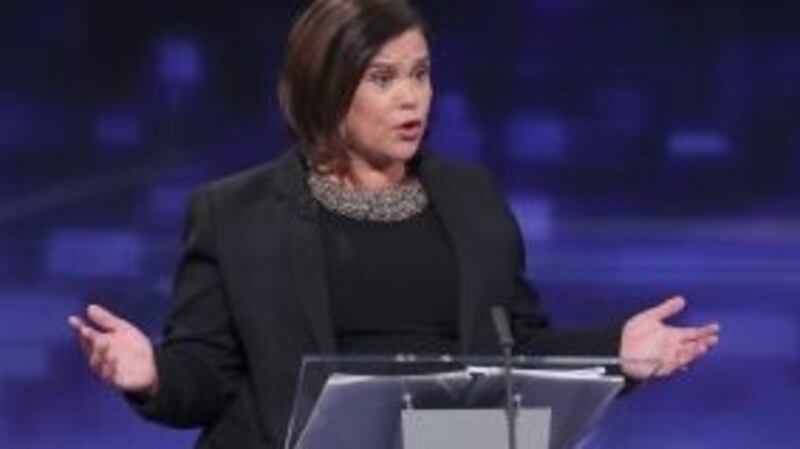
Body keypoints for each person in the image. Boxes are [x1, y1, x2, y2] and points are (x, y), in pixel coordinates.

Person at [68, 1, 720, 448]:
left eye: (420, 73)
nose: (412, 98)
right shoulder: (233, 212)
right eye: (382, 79)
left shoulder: (471, 197)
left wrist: (619, 351)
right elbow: (207, 377)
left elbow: (514, 350)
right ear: (327, 89)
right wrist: (152, 371)